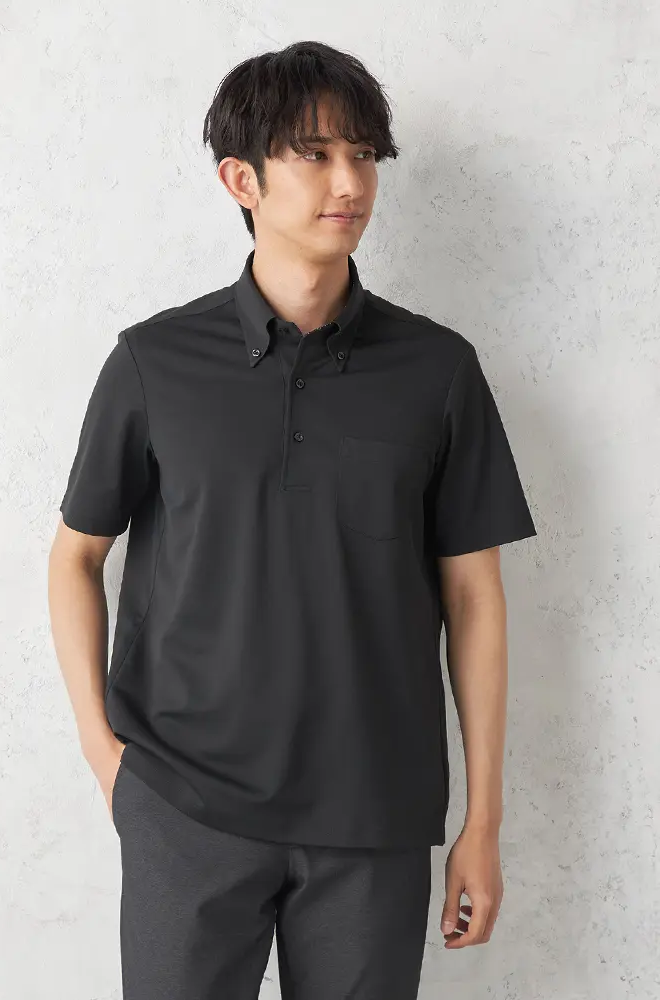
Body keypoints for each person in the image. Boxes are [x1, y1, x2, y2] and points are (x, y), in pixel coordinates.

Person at [48, 39, 537, 1000]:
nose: (349, 182)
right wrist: (107, 760)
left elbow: (475, 599)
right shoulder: (153, 362)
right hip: (185, 804)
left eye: (364, 154)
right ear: (243, 179)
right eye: (314, 154)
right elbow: (75, 557)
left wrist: (482, 822)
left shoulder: (438, 371)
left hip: (374, 814)